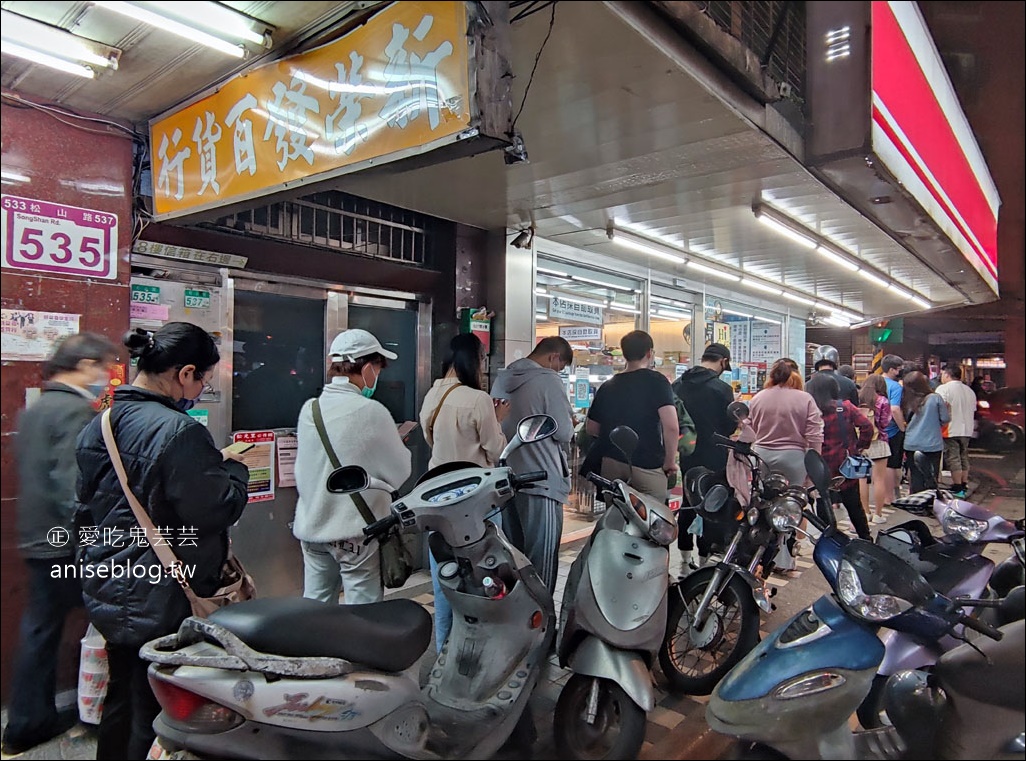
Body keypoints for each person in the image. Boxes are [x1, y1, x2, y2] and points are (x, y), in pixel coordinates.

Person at [75, 323, 250, 760]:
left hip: (110, 581)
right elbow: (214, 510)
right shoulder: (179, 431)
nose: (201, 389)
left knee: (121, 695)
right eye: (204, 379)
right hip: (163, 592)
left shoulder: (101, 423)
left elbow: (86, 508)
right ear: (185, 372)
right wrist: (234, 471)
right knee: (156, 708)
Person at [2, 334, 118, 757]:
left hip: (36, 537)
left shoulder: (36, 409)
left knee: (39, 629)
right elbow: (75, 485)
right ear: (84, 365)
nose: (104, 377)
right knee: (117, 617)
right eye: (102, 367)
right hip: (66, 542)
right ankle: (111, 709)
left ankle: (26, 722)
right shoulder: (73, 410)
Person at [293, 329, 412, 605]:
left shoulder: (310, 409)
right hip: (356, 534)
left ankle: (316, 649)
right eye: (378, 369)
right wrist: (392, 443)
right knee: (363, 612)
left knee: (315, 607)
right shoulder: (373, 411)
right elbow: (400, 472)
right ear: (368, 368)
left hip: (312, 529)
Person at [420, 333, 508, 650]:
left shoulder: (433, 394)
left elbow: (434, 443)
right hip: (474, 499)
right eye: (483, 359)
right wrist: (497, 420)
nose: (484, 366)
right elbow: (496, 449)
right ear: (474, 360)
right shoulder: (478, 399)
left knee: (444, 577)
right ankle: (480, 648)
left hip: (436, 496)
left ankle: (445, 647)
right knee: (482, 574)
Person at [490, 337, 575, 594]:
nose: (558, 372)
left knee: (514, 559)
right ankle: (543, 626)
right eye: (560, 367)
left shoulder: (502, 378)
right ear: (554, 358)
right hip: (542, 481)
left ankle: (517, 620)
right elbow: (564, 432)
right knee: (542, 561)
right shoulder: (549, 380)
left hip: (507, 481)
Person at [585, 330, 678, 500]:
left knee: (615, 515)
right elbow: (671, 426)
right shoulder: (657, 381)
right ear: (649, 353)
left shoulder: (608, 385)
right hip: (647, 463)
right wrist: (670, 462)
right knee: (654, 519)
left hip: (611, 461)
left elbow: (591, 428)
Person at [673, 343, 736, 569]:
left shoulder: (678, 385)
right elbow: (730, 425)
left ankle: (684, 556)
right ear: (723, 362)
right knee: (712, 502)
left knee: (689, 500)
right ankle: (704, 558)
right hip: (714, 453)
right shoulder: (721, 389)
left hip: (687, 452)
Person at [806, 372, 874, 541]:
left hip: (819, 466)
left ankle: (831, 541)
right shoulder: (845, 407)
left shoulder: (809, 410)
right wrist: (858, 447)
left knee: (823, 503)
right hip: (844, 465)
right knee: (854, 505)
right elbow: (867, 427)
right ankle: (866, 539)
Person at [749, 359, 824, 488]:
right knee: (795, 500)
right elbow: (814, 436)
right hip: (794, 458)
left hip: (761, 456)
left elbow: (748, 429)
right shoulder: (805, 399)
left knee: (762, 500)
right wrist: (815, 467)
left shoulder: (757, 398)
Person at [901, 371, 951, 494]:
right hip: (932, 444)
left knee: (915, 474)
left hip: (911, 443)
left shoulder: (905, 400)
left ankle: (916, 500)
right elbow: (945, 419)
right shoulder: (935, 398)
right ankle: (930, 500)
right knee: (931, 475)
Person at [935, 365, 977, 498]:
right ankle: (964, 483)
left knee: (953, 458)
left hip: (950, 429)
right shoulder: (969, 391)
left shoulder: (943, 389)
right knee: (963, 456)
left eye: (942, 374)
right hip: (967, 429)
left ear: (947, 374)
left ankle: (957, 486)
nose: (941, 377)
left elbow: (940, 407)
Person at [857, 374, 894, 524]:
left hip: (862, 443)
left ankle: (865, 513)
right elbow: (885, 423)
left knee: (862, 480)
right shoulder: (883, 401)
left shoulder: (860, 399)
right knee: (879, 479)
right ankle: (878, 514)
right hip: (879, 442)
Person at [881, 354, 907, 502]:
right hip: (892, 430)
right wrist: (902, 427)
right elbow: (895, 409)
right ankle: (889, 497)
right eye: (899, 369)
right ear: (891, 370)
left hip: (877, 430)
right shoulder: (895, 387)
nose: (900, 372)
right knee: (892, 464)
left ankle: (882, 495)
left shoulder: (873, 383)